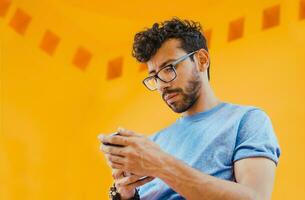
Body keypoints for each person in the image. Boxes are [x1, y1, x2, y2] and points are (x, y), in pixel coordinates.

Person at [98, 18, 281, 200]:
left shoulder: (247, 120)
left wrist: (160, 164)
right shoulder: (153, 144)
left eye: (169, 68)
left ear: (202, 60)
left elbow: (255, 197)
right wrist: (125, 194)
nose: (161, 85)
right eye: (154, 76)